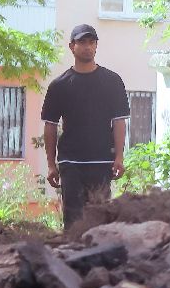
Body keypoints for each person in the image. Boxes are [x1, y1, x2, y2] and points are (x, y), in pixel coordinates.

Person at [41, 24, 130, 228]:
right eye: (82, 42)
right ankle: (71, 249)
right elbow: (50, 126)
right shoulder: (59, 85)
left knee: (100, 218)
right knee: (73, 220)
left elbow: (119, 121)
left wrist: (119, 157)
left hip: (101, 161)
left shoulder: (112, 81)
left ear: (96, 46)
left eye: (91, 42)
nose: (87, 47)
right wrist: (51, 164)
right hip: (71, 163)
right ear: (72, 46)